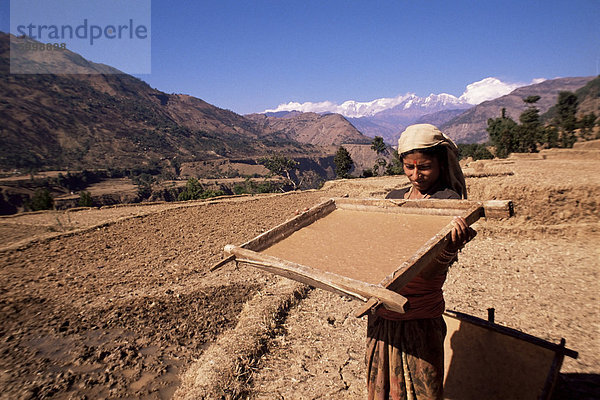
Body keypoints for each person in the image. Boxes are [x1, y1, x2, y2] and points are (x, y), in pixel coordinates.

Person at [366, 124, 476, 400]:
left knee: (423, 391)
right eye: (409, 167)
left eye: (424, 167)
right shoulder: (394, 199)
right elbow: (372, 249)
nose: (416, 175)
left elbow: (433, 268)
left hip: (419, 318)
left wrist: (450, 249)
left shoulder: (447, 203)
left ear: (440, 162)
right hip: (383, 315)